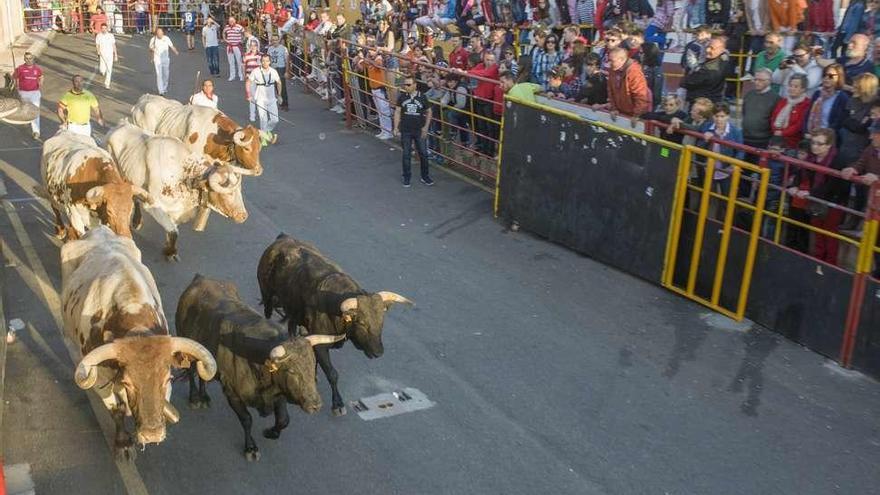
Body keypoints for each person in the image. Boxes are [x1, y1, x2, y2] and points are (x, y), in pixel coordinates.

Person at [393, 76, 433, 187]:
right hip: (406, 130)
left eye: (409, 85)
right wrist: (396, 127)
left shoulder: (422, 97)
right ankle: (406, 176)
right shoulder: (402, 97)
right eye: (405, 85)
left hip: (419, 130)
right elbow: (397, 112)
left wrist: (425, 127)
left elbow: (429, 111)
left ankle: (425, 176)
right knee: (406, 154)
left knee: (423, 154)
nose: (406, 87)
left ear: (415, 85)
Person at [598, 46, 650, 118]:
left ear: (622, 60)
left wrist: (637, 114)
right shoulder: (612, 70)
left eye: (612, 61)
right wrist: (614, 108)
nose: (609, 63)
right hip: (620, 111)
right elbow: (610, 91)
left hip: (634, 114)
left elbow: (640, 94)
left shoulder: (634, 71)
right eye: (608, 60)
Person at [679, 36, 727, 104]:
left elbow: (687, 82)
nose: (708, 50)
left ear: (721, 50)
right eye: (708, 46)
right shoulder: (724, 59)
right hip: (714, 99)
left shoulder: (707, 70)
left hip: (700, 102)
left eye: (712, 48)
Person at [247, 54, 283, 145]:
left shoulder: (273, 71)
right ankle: (264, 139)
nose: (265, 62)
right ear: (260, 61)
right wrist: (249, 95)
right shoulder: (256, 71)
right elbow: (248, 82)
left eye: (267, 61)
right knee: (264, 119)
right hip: (260, 99)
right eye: (263, 61)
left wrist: (279, 95)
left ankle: (263, 133)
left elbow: (279, 82)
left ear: (270, 62)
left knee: (275, 119)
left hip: (271, 99)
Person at [741, 68, 780, 149]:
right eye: (755, 79)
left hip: (763, 141)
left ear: (769, 81)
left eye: (760, 80)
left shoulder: (775, 98)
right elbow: (744, 113)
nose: (756, 82)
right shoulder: (749, 94)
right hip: (745, 137)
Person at [771, 73, 811, 149]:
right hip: (775, 139)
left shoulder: (807, 104)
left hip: (793, 145)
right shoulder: (783, 101)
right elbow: (773, 117)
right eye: (790, 85)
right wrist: (775, 131)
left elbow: (799, 125)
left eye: (796, 86)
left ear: (803, 89)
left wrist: (782, 133)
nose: (791, 88)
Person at [13, 51, 43, 140]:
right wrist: (16, 85)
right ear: (24, 59)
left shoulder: (37, 69)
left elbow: (41, 76)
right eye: (27, 58)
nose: (28, 60)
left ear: (33, 59)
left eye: (30, 58)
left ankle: (36, 131)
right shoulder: (20, 68)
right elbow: (14, 77)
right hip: (23, 93)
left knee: (35, 112)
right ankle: (26, 120)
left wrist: (40, 84)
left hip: (35, 93)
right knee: (25, 110)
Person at [149, 27, 178, 95]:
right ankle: (161, 91)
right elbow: (150, 49)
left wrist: (175, 51)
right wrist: (152, 57)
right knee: (159, 74)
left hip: (165, 59)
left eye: (160, 33)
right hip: (157, 59)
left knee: (166, 74)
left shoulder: (166, 38)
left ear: (163, 33)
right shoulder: (153, 39)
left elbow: (171, 46)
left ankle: (164, 88)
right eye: (158, 33)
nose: (159, 34)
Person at [267, 36, 289, 111]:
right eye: (273, 40)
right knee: (276, 87)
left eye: (276, 40)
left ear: (278, 40)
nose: (274, 41)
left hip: (281, 68)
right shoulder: (270, 49)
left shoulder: (283, 48)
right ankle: (280, 102)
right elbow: (268, 59)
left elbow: (287, 61)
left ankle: (285, 104)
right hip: (273, 68)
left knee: (282, 87)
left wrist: (286, 71)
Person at [243, 40, 262, 123]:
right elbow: (244, 66)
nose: (253, 47)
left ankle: (261, 114)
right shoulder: (246, 55)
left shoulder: (261, 55)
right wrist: (245, 76)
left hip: (260, 79)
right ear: (249, 46)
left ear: (257, 46)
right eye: (252, 45)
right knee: (252, 98)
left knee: (261, 98)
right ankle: (252, 115)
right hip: (250, 78)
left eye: (255, 45)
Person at [95, 23, 117, 89]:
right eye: (102, 28)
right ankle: (102, 72)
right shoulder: (98, 36)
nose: (104, 30)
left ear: (107, 28)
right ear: (101, 29)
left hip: (110, 54)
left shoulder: (111, 36)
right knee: (102, 69)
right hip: (102, 54)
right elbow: (97, 44)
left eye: (105, 28)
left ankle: (107, 84)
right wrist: (98, 51)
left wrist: (115, 54)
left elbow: (113, 45)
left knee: (109, 70)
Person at [223, 17, 245, 81]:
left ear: (235, 21)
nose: (231, 22)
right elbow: (223, 32)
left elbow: (243, 33)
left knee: (239, 61)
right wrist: (225, 39)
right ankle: (232, 75)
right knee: (231, 62)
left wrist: (242, 40)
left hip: (237, 46)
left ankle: (241, 75)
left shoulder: (239, 27)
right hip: (229, 46)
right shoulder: (227, 27)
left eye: (232, 20)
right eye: (230, 21)